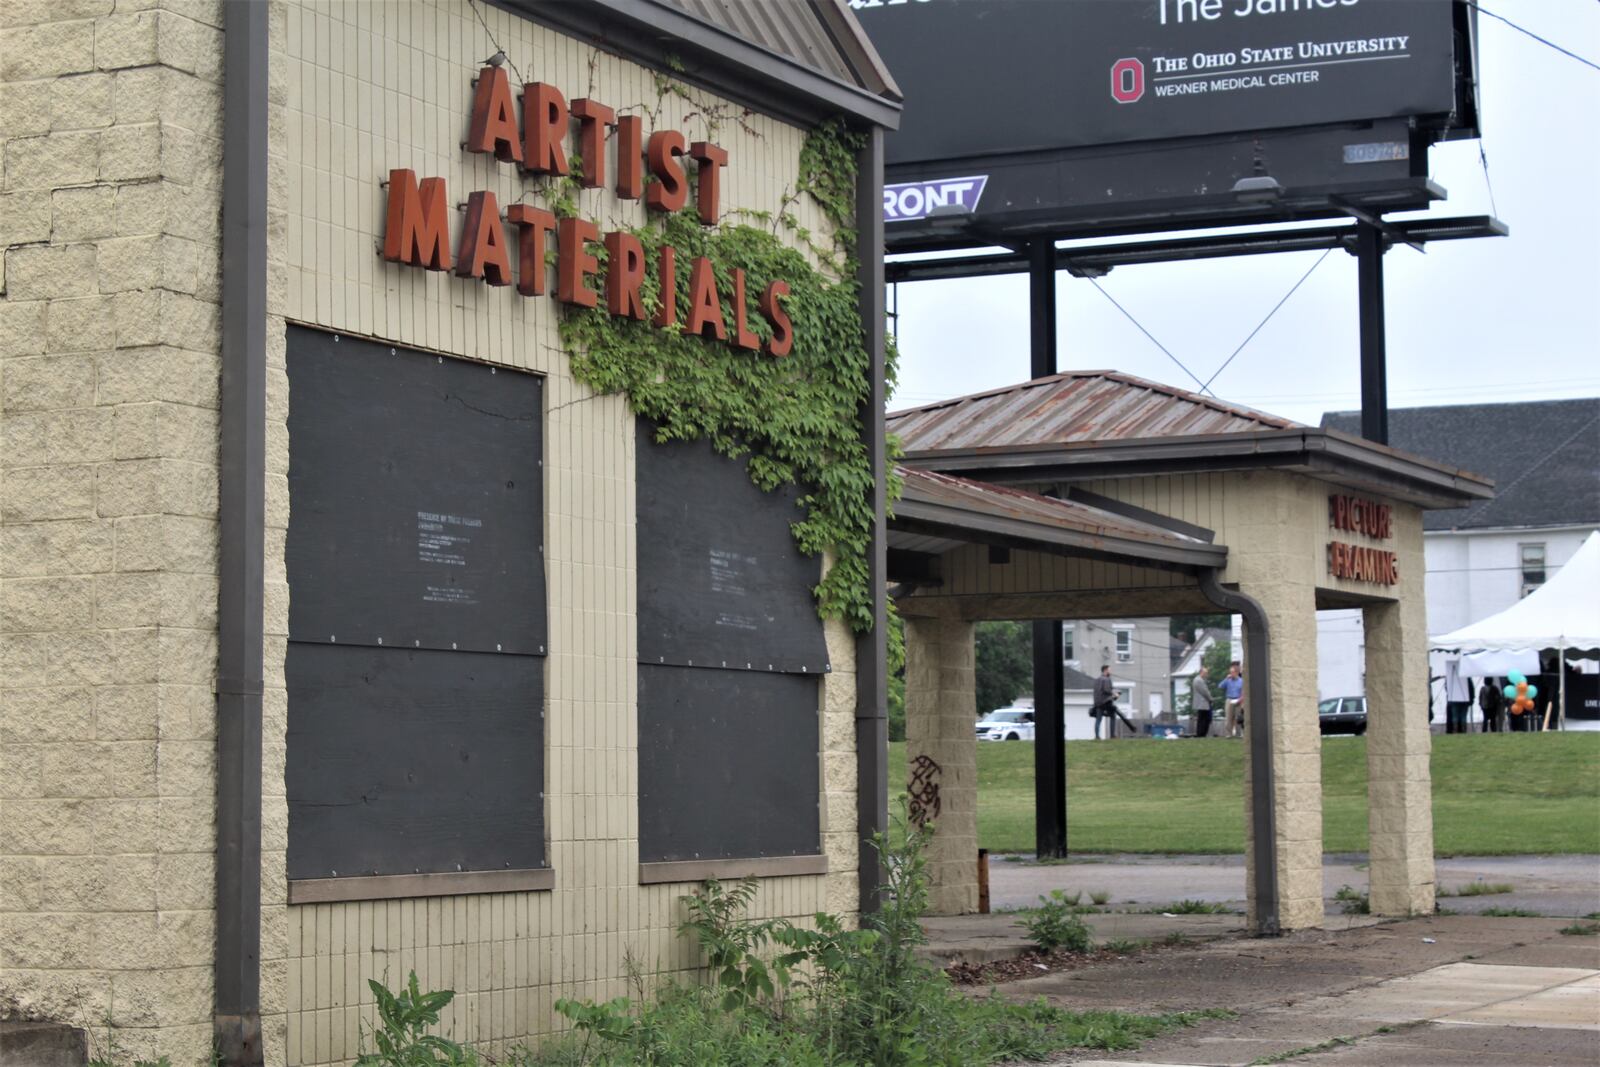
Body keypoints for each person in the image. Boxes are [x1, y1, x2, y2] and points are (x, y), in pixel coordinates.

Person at [1443, 658, 1474, 734]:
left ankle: (1455, 731)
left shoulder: (1450, 676)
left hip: (1454, 699)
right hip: (1464, 700)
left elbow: (1447, 687)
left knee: (1455, 716)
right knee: (1462, 716)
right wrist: (1471, 699)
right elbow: (1471, 688)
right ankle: (1463, 730)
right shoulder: (1467, 677)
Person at [1221, 661, 1245, 738]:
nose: (1231, 674)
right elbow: (1220, 686)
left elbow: (1243, 691)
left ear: (1237, 672)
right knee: (1229, 717)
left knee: (1238, 717)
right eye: (1230, 672)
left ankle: (1239, 733)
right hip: (1229, 699)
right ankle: (1229, 733)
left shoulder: (1241, 681)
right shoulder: (1228, 680)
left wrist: (1241, 699)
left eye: (1233, 672)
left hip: (1238, 699)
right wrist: (1226, 678)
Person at [1191, 666, 1214, 738]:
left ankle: (1201, 734)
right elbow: (1205, 691)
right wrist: (1210, 698)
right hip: (1202, 703)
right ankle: (1201, 734)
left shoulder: (1198, 680)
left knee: (1202, 719)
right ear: (1201, 672)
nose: (1207, 674)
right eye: (1205, 673)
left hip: (1202, 703)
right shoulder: (1199, 680)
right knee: (1204, 719)